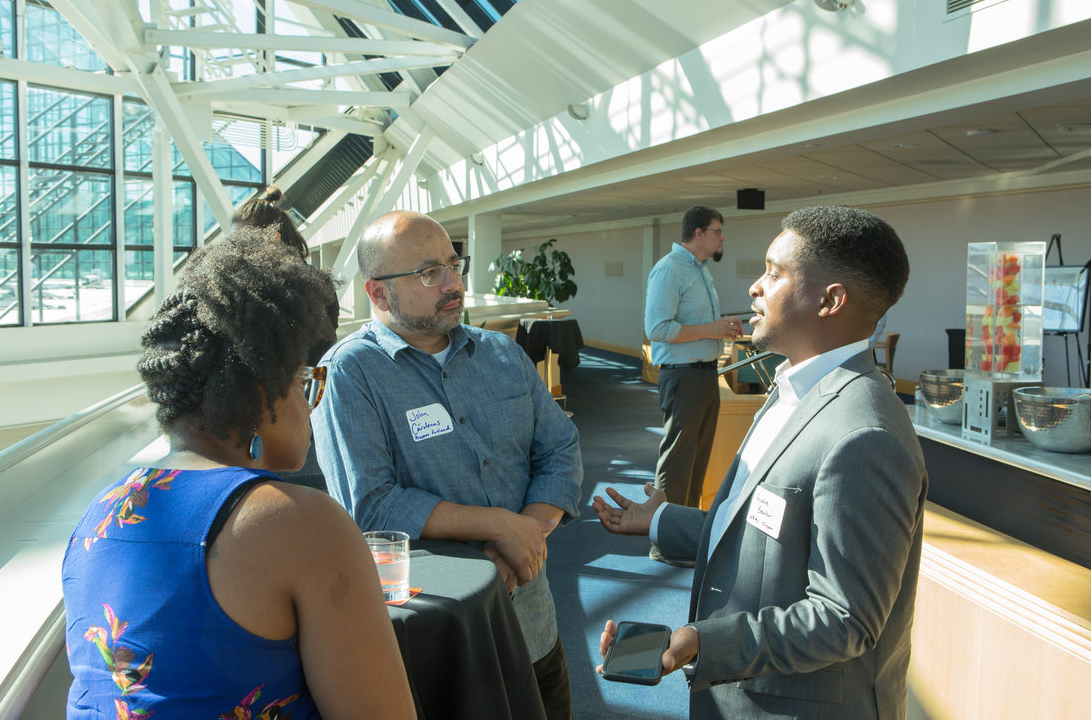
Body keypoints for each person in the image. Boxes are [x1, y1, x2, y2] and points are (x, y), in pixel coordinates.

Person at [62, 228, 415, 719]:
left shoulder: (100, 513)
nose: (311, 405)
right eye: (304, 382)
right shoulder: (300, 524)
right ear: (258, 390)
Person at [594, 205, 927, 719]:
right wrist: (661, 520)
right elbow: (766, 532)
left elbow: (844, 619)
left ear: (831, 300)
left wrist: (704, 643)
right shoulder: (790, 390)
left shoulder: (865, 434)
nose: (754, 287)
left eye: (773, 273)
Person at [312, 210, 583, 720]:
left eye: (454, 265)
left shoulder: (503, 354)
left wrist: (526, 536)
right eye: (428, 273)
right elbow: (369, 505)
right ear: (377, 294)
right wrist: (499, 526)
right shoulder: (349, 373)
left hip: (532, 619)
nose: (453, 282)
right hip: (442, 645)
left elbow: (559, 449)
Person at [644, 205, 743, 563]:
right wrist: (713, 329)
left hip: (703, 373)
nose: (722, 237)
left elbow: (692, 323)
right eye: (718, 230)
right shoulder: (669, 270)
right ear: (698, 233)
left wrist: (719, 326)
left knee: (697, 455)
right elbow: (658, 328)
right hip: (682, 374)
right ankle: (664, 541)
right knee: (678, 458)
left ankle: (684, 534)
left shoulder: (699, 270)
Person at [232, 185, 310, 259]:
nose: (236, 247)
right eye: (235, 239)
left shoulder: (296, 271)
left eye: (244, 239)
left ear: (274, 237)